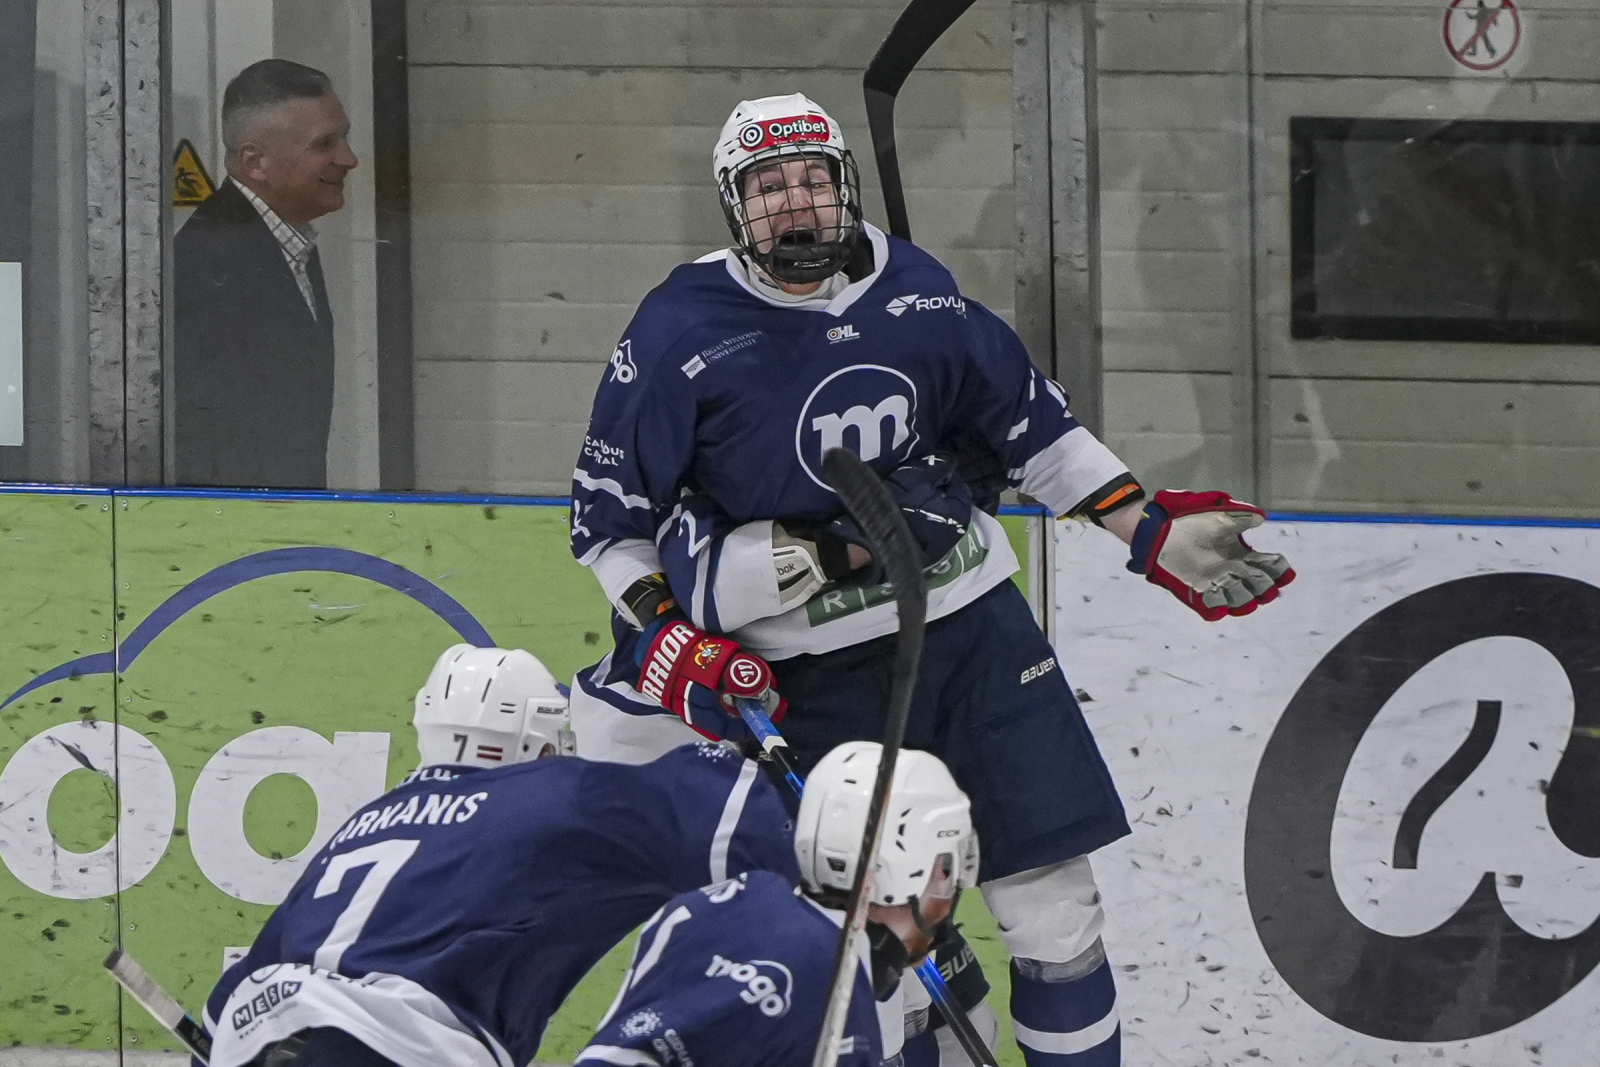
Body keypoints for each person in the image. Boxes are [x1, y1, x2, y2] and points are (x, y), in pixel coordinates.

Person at [568, 92, 1296, 1067]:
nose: (796, 202)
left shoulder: (917, 291)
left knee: (1056, 914)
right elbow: (608, 522)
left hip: (973, 636)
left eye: (813, 179)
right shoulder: (677, 330)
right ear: (735, 207)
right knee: (890, 950)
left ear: (844, 186)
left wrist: (1146, 526)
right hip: (812, 678)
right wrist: (665, 627)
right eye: (770, 186)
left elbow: (1030, 427)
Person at [199, 644, 801, 1067]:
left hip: (259, 1033)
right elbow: (734, 815)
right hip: (397, 1047)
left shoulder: (361, 827)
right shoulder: (555, 792)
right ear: (541, 739)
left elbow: (222, 1007)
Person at [575, 741, 979, 1067]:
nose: (948, 888)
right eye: (944, 870)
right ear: (903, 870)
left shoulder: (710, 907)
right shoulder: (838, 1005)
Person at [174, 58, 357, 489]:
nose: (349, 159)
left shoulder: (287, 242)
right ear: (255, 162)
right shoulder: (209, 263)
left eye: (344, 138)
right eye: (324, 144)